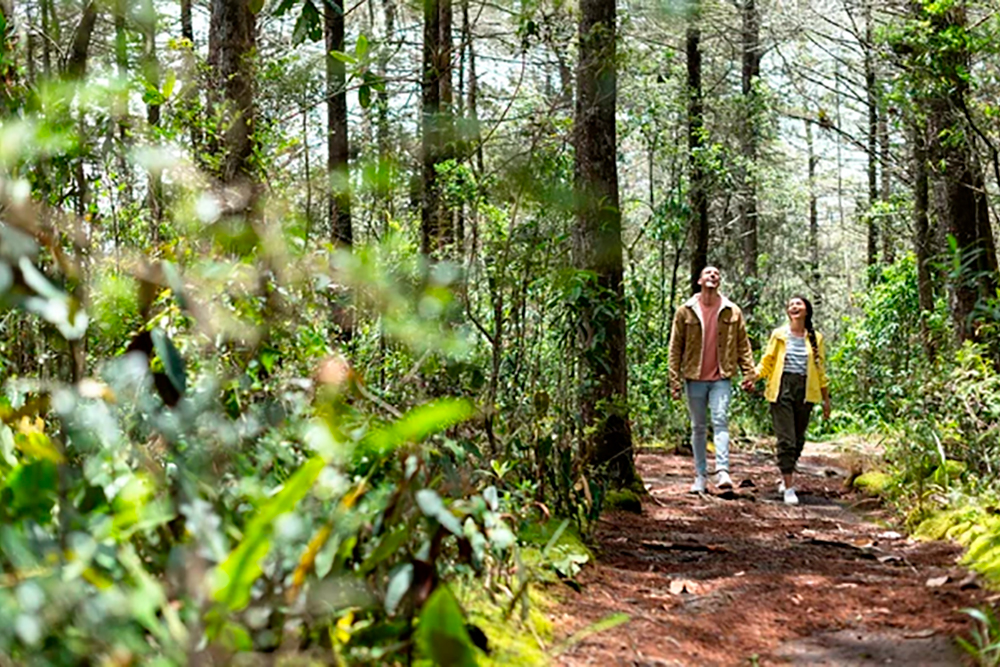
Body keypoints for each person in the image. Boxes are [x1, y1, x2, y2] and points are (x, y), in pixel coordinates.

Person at [668, 266, 756, 493]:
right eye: (708, 273)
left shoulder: (732, 311)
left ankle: (723, 472)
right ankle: (700, 476)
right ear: (699, 281)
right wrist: (674, 380)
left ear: (719, 282)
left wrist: (749, 373)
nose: (713, 276)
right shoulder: (685, 311)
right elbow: (675, 346)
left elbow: (742, 345)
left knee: (720, 420)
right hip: (694, 376)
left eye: (717, 274)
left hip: (721, 377)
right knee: (698, 427)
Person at [755, 295, 832, 505]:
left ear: (807, 310)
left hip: (806, 391)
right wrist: (754, 375)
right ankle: (789, 488)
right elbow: (767, 362)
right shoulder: (779, 335)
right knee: (786, 440)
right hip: (781, 389)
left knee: (798, 440)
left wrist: (826, 400)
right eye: (790, 304)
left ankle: (785, 474)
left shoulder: (816, 338)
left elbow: (820, 369)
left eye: (798, 304)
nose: (794, 307)